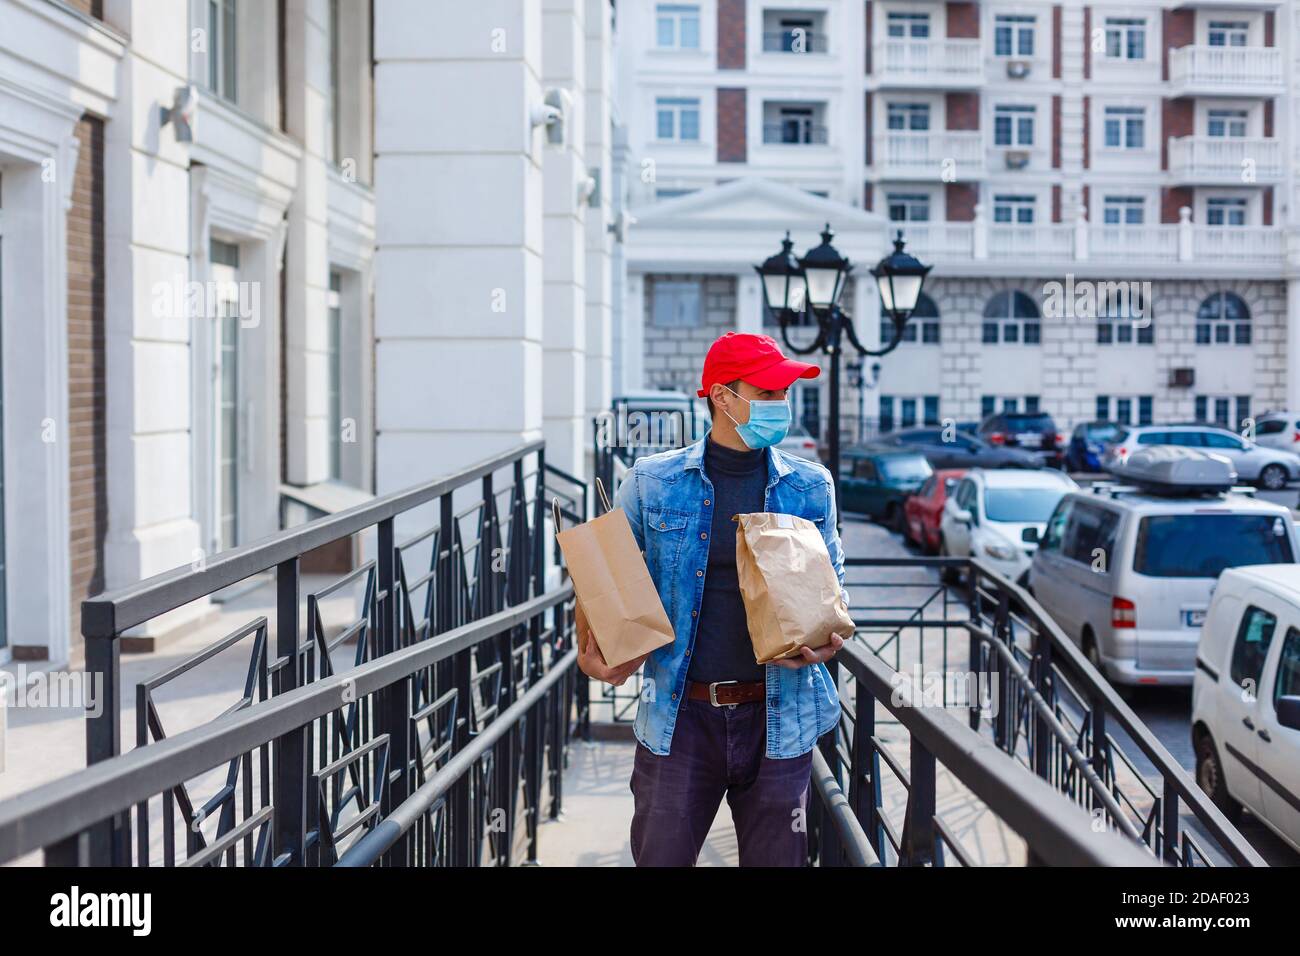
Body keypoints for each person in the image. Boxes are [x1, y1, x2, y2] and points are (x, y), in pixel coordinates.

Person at [576, 330, 848, 866]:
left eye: (784, 395)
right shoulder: (652, 483)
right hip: (679, 718)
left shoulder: (811, 488)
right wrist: (591, 649)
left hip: (780, 717)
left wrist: (827, 641)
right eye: (767, 394)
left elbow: (834, 592)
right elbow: (602, 580)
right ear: (723, 396)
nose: (781, 406)